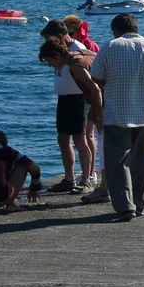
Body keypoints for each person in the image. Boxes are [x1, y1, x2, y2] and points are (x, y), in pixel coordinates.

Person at [89, 13, 144, 221]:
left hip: (117, 113)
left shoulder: (110, 46)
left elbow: (95, 79)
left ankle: (126, 206)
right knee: (140, 160)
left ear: (116, 30)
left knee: (117, 163)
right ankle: (139, 203)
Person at [38, 20, 96, 192]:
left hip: (78, 97)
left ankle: (86, 179)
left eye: (50, 39)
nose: (48, 43)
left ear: (60, 37)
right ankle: (69, 178)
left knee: (80, 139)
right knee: (63, 138)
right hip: (64, 97)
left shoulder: (76, 49)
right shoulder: (57, 51)